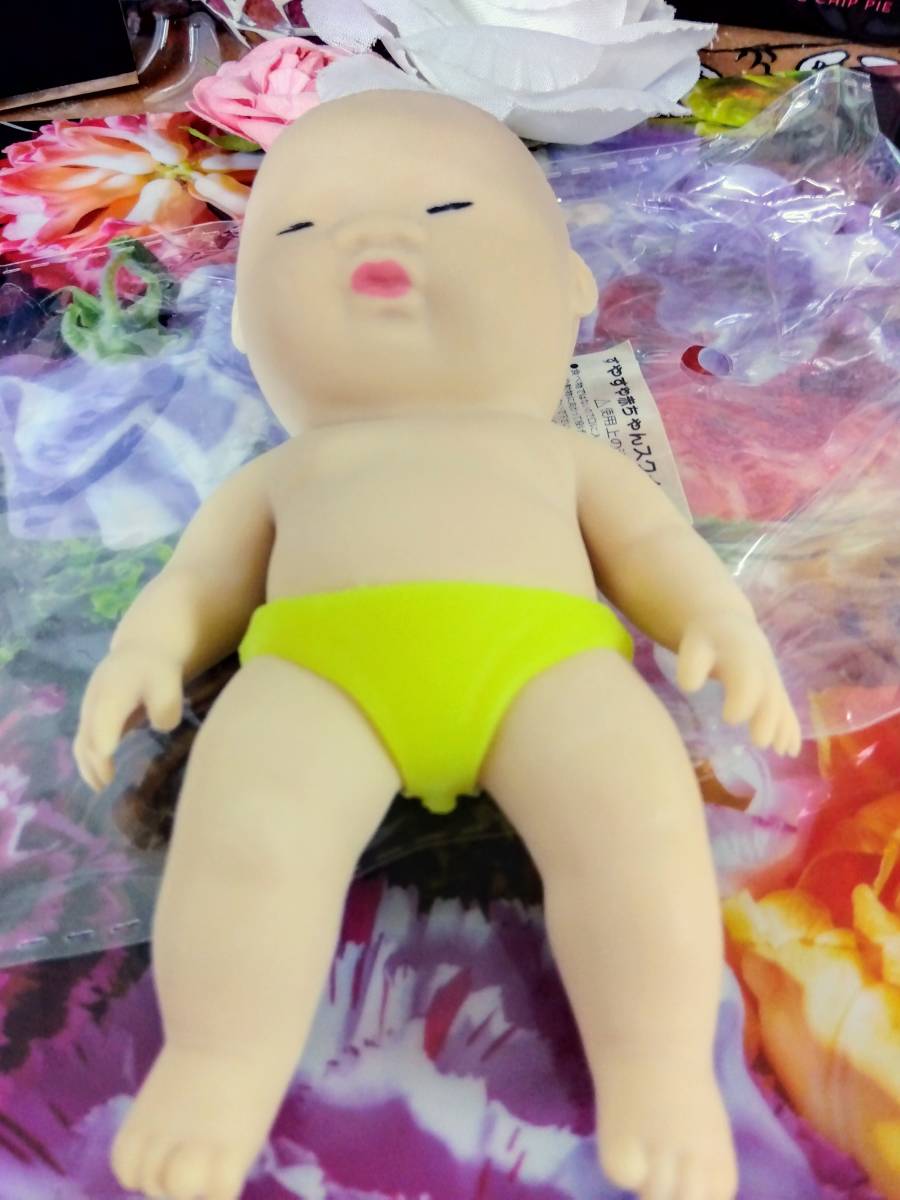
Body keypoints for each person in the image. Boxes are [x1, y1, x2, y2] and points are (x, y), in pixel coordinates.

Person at [75, 90, 800, 1200]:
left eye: (449, 210)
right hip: (315, 671)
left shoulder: (561, 456)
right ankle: (216, 1063)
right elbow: (201, 582)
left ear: (570, 285)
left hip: (549, 662)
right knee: (246, 840)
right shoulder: (282, 472)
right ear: (244, 321)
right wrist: (146, 652)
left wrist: (717, 619)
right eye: (303, 230)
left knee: (637, 830)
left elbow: (654, 546)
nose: (375, 237)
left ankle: (659, 1071)